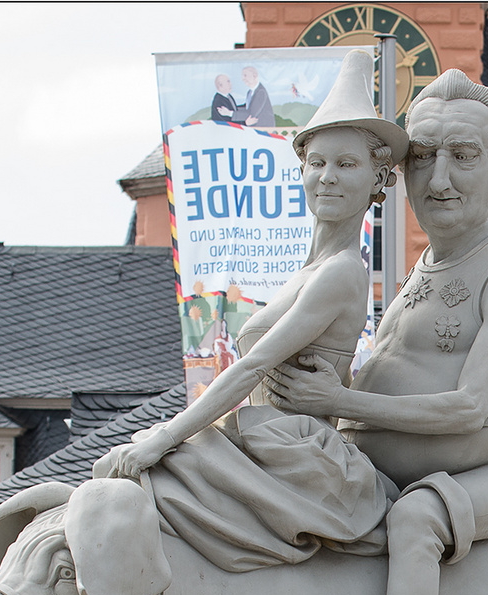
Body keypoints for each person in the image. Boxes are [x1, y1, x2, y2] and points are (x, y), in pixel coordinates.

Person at [268, 69, 488, 595]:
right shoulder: (421, 269)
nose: (439, 179)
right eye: (422, 158)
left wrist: (339, 401)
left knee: (417, 519)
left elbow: (466, 409)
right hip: (390, 464)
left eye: (463, 156)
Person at [96, 50, 407, 556]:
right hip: (265, 437)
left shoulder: (342, 272)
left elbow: (253, 366)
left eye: (346, 164)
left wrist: (166, 437)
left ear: (376, 181)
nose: (327, 176)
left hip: (294, 453)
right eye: (317, 162)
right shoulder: (312, 271)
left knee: (145, 474)